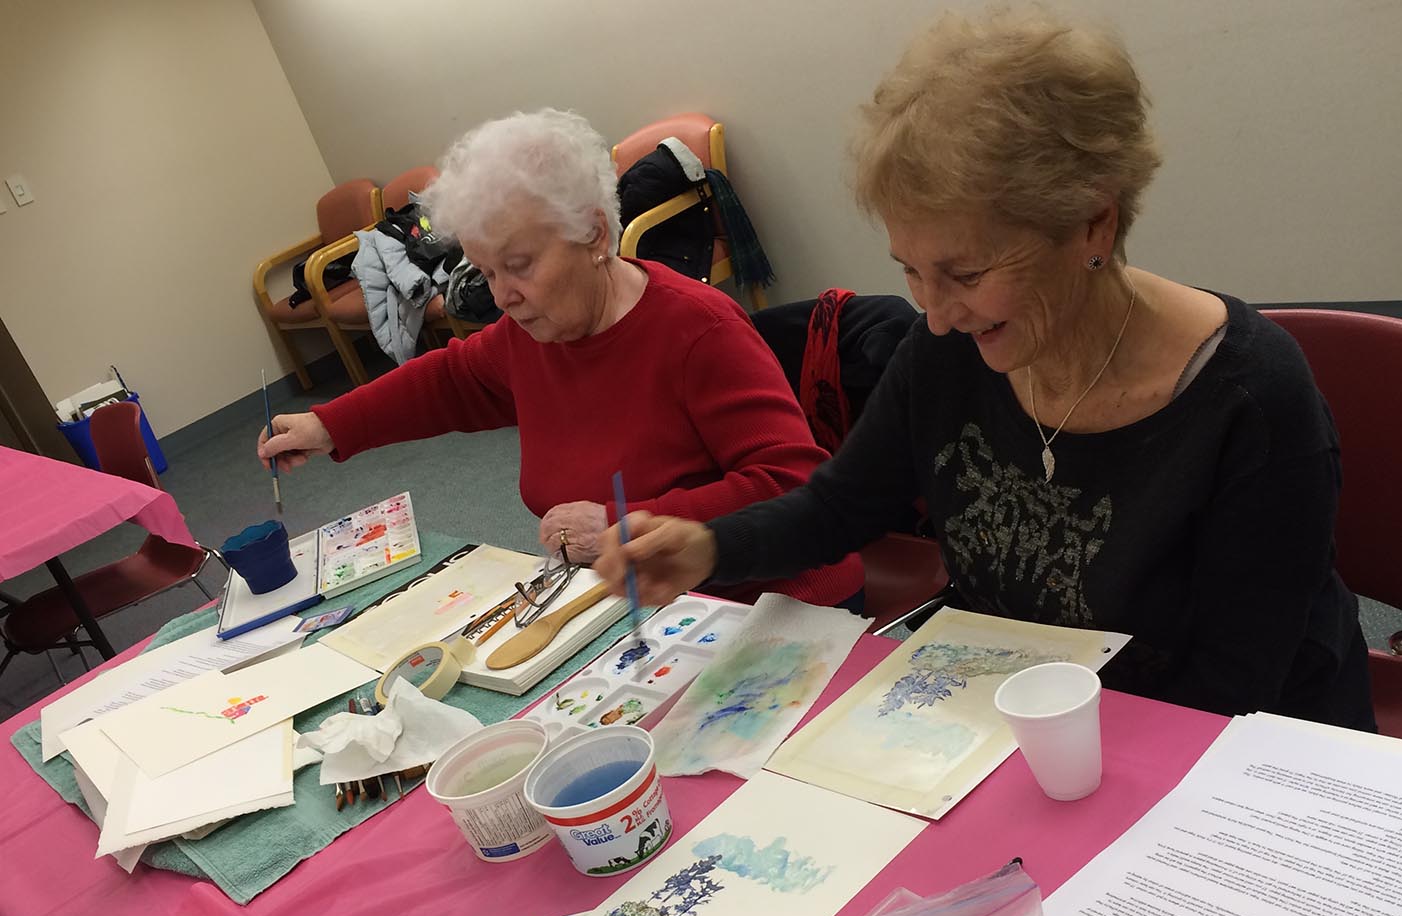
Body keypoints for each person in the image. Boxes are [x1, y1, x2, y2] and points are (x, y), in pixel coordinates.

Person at [597, 7, 1374, 729]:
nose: (935, 314)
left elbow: (1230, 694)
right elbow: (840, 507)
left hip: (1228, 752)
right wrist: (708, 546)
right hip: (1022, 716)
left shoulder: (1250, 402)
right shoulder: (950, 349)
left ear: (1093, 223)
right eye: (910, 271)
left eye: (965, 274)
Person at [257, 109, 861, 610]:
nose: (502, 296)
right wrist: (327, 424)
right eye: (487, 271)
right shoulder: (532, 334)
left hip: (770, 603)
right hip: (643, 608)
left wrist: (622, 521)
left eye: (518, 266)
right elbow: (451, 380)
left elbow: (791, 485)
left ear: (594, 234)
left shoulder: (698, 331)